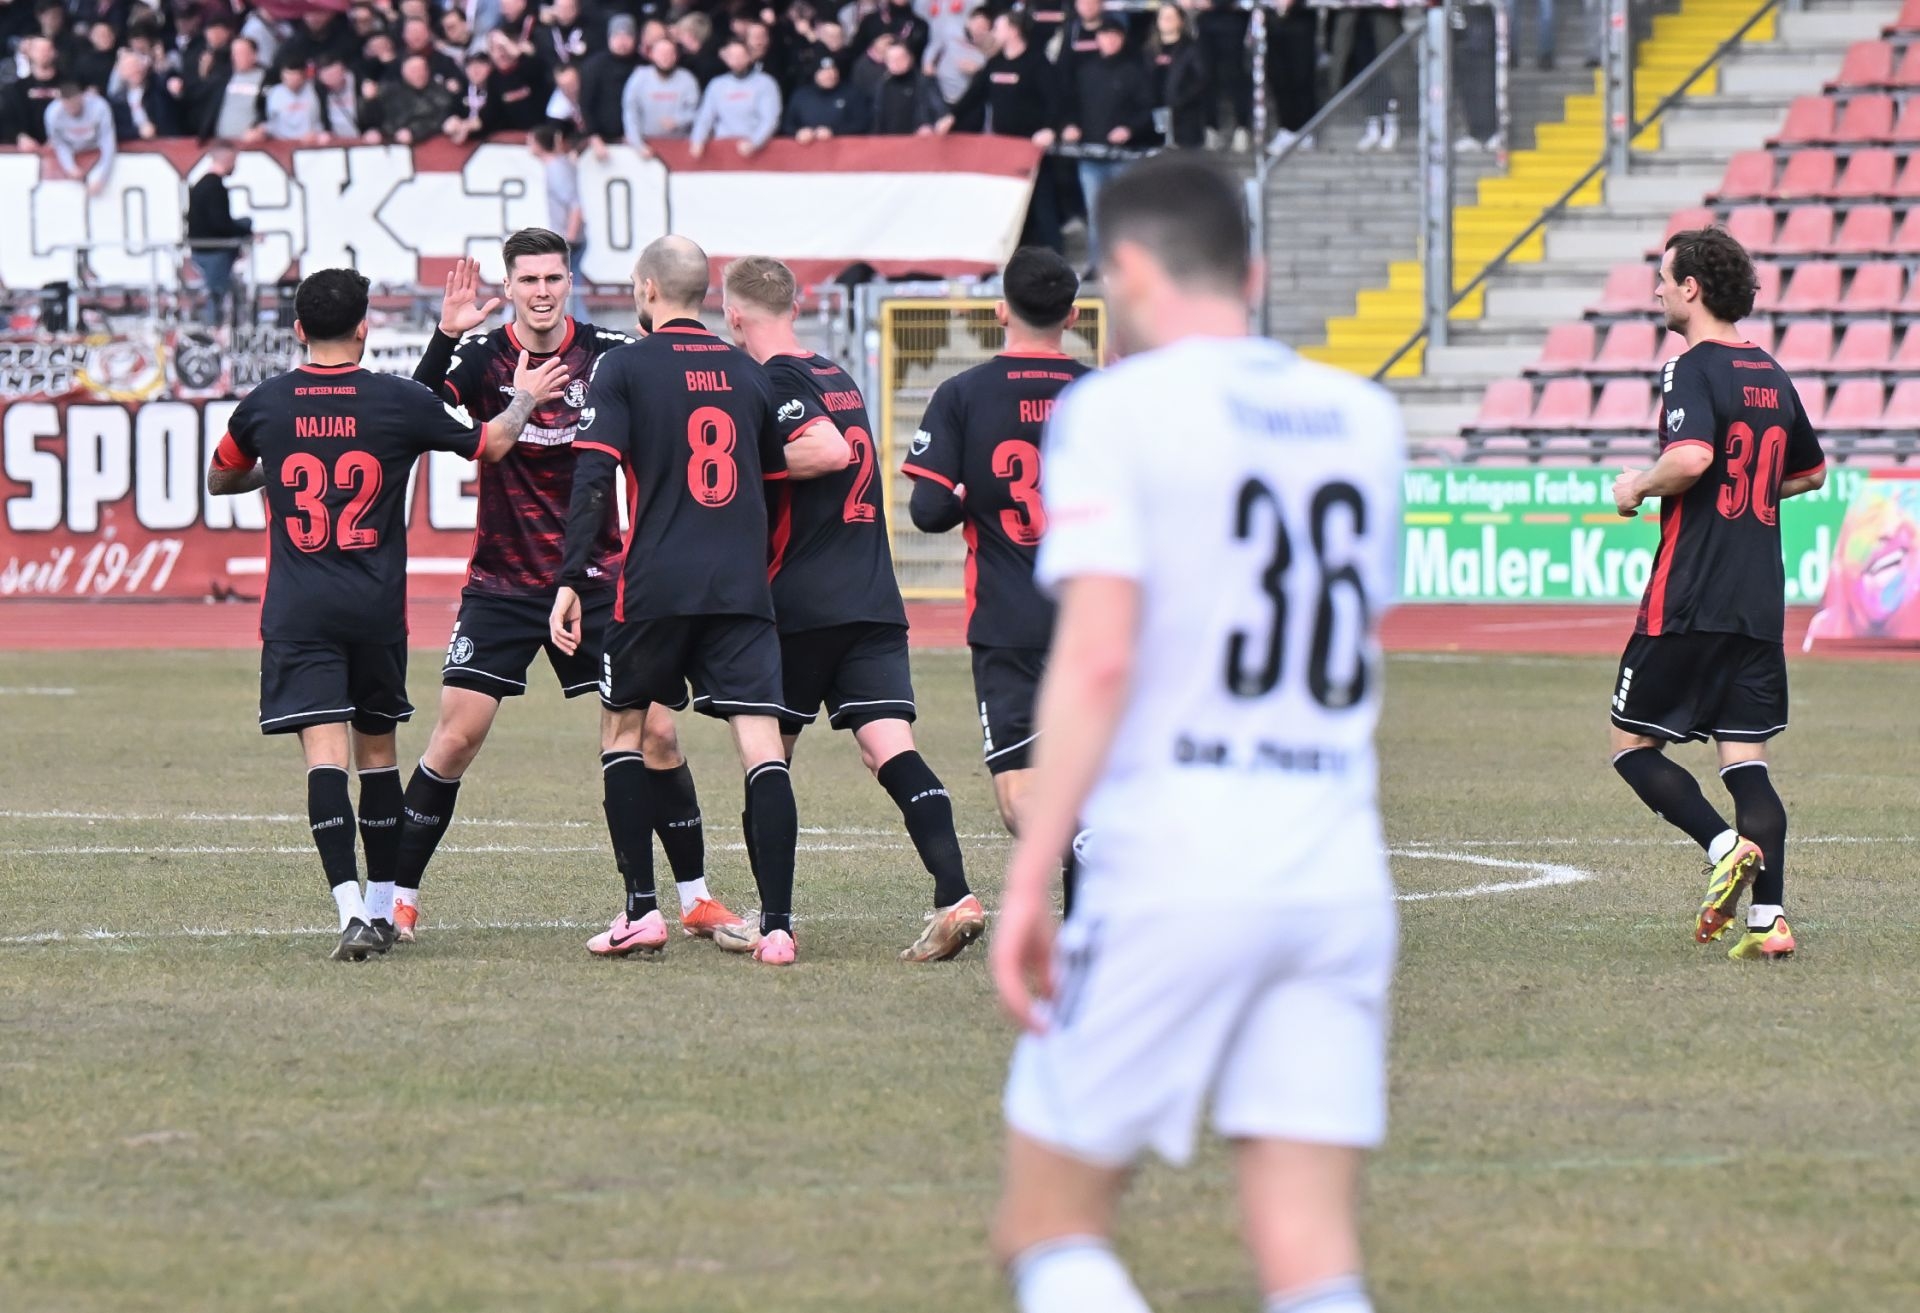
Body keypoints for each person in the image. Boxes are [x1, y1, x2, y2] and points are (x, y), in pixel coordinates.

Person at [988, 153, 1405, 1313]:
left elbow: (1099, 654)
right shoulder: (1363, 419)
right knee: (1310, 1248)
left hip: (1178, 857)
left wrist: (1029, 874)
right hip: (1334, 867)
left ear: (1124, 273)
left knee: (1046, 1223)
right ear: (1252, 274)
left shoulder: (1115, 410)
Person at [204, 267, 568, 960]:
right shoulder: (397, 401)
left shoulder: (266, 403)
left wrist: (277, 464)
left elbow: (221, 476)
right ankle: (381, 908)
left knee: (324, 761)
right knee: (378, 760)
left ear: (299, 329)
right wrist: (523, 396)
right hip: (374, 609)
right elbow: (492, 442)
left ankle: (350, 913)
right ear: (365, 328)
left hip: (300, 610)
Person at [398, 235, 741, 948]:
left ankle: (697, 899)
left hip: (599, 581)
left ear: (569, 283)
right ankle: (398, 900)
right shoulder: (484, 357)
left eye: (554, 277)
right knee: (455, 738)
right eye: (528, 279)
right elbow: (412, 411)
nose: (543, 291)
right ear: (509, 286)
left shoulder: (611, 354)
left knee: (658, 734)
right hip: (502, 582)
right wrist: (445, 335)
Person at [723, 256, 986, 962]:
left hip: (800, 601)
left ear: (735, 316)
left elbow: (828, 451)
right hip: (871, 595)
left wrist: (744, 466)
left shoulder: (776, 379)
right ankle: (956, 894)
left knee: (767, 758)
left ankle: (772, 921)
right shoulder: (835, 373)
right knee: (888, 749)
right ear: (796, 306)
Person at [550, 235, 802, 965]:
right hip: (739, 589)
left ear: (649, 289)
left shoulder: (623, 366)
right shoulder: (749, 372)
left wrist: (570, 579)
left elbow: (593, 482)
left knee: (622, 732)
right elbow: (779, 493)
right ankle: (778, 927)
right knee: (762, 748)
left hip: (655, 585)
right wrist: (758, 572)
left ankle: (641, 911)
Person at [1608, 226, 1827, 963]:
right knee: (1746, 762)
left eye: (1664, 277)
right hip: (1758, 597)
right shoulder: (1771, 370)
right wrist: (1752, 487)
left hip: (1691, 591)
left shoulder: (1689, 366)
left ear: (1692, 287)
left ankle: (1724, 847)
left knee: (1630, 745)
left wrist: (1636, 487)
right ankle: (1769, 921)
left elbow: (1693, 456)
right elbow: (1811, 473)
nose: (1657, 289)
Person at [901, 246, 1088, 902]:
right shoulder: (1103, 395)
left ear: (1002, 310)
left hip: (1008, 620)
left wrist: (967, 495)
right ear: (1072, 315)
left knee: (1021, 796)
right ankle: (1095, 909)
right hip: (1095, 616)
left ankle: (1095, 861)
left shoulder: (964, 394)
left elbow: (927, 511)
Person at [936, 12, 1062, 250]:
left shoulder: (1037, 63)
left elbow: (1054, 101)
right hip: (1004, 148)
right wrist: (951, 116)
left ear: (1013, 31)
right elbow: (975, 94)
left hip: (1032, 148)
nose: (994, 32)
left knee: (1041, 203)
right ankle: (1012, 255)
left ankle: (1055, 255)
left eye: (998, 27)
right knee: (1011, 203)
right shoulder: (995, 64)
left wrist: (1049, 129)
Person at [1060, 18, 1150, 258]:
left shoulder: (1134, 72)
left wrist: (1129, 129)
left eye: (1114, 35)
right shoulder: (1085, 71)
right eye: (1104, 35)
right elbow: (1070, 105)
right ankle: (1097, 265)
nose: (1109, 40)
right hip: (1090, 156)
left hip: (1123, 157)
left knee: (1123, 213)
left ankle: (1125, 263)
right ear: (1097, 39)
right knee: (1096, 213)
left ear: (1122, 39)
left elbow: (1147, 111)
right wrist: (1070, 126)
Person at [526, 124, 589, 322]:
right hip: (564, 237)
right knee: (570, 288)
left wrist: (569, 238)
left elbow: (575, 205)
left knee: (568, 290)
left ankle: (579, 328)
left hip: (566, 238)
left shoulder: (556, 169)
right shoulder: (559, 165)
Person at [186, 140, 252, 326]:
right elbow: (220, 223)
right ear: (228, 159)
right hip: (214, 251)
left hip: (204, 250)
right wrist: (245, 232)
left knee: (219, 294)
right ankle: (215, 332)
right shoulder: (215, 187)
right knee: (217, 298)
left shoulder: (202, 184)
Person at [688, 37, 780, 159]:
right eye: (732, 56)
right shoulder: (716, 85)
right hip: (722, 148)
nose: (737, 60)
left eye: (741, 56)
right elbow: (705, 116)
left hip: (755, 150)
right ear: (726, 59)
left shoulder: (766, 83)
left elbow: (770, 119)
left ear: (749, 57)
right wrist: (697, 139)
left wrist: (754, 142)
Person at [622, 35, 700, 151]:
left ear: (676, 56)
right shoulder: (639, 78)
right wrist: (638, 144)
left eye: (669, 53)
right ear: (652, 55)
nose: (665, 57)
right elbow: (630, 111)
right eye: (661, 53)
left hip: (679, 144)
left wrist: (678, 120)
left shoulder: (688, 79)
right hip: (646, 143)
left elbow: (698, 112)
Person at [1146, 5, 1208, 149]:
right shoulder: (1148, 50)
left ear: (1181, 21)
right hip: (1153, 115)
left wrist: (1179, 100)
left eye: (1171, 17)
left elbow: (1200, 80)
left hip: (1184, 116)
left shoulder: (1192, 48)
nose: (1166, 21)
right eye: (1163, 17)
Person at [578, 12, 640, 154]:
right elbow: (586, 103)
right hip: (602, 140)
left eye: (627, 36)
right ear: (609, 38)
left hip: (636, 139)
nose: (622, 42)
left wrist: (635, 136)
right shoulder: (594, 66)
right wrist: (593, 136)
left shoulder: (643, 66)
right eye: (617, 36)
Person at [43, 79, 116, 195]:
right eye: (67, 106)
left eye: (74, 105)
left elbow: (108, 142)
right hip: (73, 149)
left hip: (95, 147)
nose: (71, 109)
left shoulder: (99, 107)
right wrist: (70, 167)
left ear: (81, 98)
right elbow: (59, 144)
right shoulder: (52, 114)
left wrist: (102, 176)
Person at [784, 56, 869, 140]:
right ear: (815, 73)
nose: (829, 75)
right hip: (806, 146)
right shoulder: (801, 95)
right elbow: (787, 124)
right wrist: (798, 132)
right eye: (824, 71)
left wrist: (833, 132)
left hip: (843, 147)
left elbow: (861, 123)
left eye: (832, 70)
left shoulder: (851, 93)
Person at [870, 39, 943, 134]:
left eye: (900, 58)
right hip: (889, 138)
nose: (896, 63)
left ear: (910, 58)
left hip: (917, 138)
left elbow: (939, 110)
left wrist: (928, 125)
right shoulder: (883, 84)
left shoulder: (923, 82)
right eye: (892, 59)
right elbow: (878, 117)